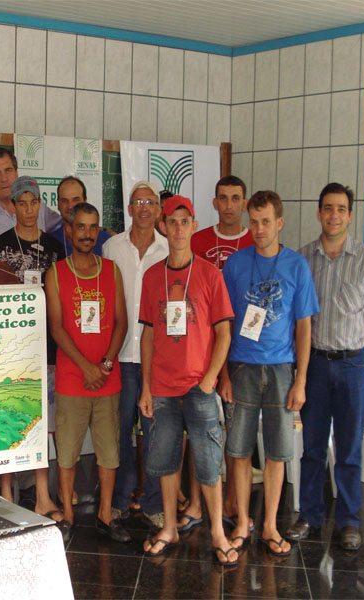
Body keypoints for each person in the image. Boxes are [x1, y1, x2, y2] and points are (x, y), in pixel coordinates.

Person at [286, 183, 364, 551]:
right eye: (328, 208)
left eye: (341, 209)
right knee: (313, 447)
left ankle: (349, 521)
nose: (334, 215)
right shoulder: (302, 260)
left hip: (352, 366)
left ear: (350, 215)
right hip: (314, 366)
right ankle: (310, 515)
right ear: (318, 213)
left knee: (349, 449)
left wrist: (362, 347)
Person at [137, 196, 238, 564]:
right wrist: (146, 386)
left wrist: (210, 378)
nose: (178, 228)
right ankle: (169, 527)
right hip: (162, 389)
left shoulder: (210, 274)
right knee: (165, 463)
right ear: (163, 227)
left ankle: (217, 532)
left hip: (200, 388)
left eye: (185, 221)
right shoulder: (152, 276)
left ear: (194, 225)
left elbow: (224, 333)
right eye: (172, 221)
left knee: (209, 464)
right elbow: (148, 335)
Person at [220, 190, 319, 557]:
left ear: (279, 223)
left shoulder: (297, 266)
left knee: (277, 453)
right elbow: (225, 323)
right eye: (254, 221)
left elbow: (304, 326)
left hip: (281, 369)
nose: (258, 229)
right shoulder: (235, 264)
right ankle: (244, 522)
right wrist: (225, 375)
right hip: (243, 367)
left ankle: (270, 525)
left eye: (265, 222)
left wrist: (301, 379)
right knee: (241, 451)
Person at [45, 203, 129, 542]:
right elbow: (57, 328)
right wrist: (86, 367)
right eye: (81, 227)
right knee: (67, 452)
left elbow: (121, 322)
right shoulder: (56, 272)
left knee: (109, 451)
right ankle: (67, 515)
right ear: (69, 230)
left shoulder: (111, 270)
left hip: (108, 379)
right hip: (72, 379)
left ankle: (106, 516)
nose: (87, 234)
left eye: (93, 227)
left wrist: (105, 365)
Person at [0, 175, 66, 531]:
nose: (29, 208)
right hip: (10, 350)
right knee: (7, 417)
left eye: (35, 202)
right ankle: (5, 493)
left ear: (40, 205)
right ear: (14, 206)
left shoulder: (54, 247)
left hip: (46, 347)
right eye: (22, 202)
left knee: (41, 423)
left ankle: (43, 495)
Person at [187, 175, 254, 534]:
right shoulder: (197, 241)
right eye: (223, 198)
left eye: (236, 198)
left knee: (235, 435)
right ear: (214, 203)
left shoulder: (253, 240)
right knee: (202, 432)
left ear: (244, 203)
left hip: (243, 352)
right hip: (203, 353)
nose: (229, 205)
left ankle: (230, 501)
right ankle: (197, 502)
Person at [102, 181, 168, 529]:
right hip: (121, 358)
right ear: (129, 209)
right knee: (120, 433)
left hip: (158, 363)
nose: (143, 207)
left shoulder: (169, 250)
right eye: (137, 201)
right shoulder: (112, 248)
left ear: (158, 210)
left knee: (156, 435)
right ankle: (120, 499)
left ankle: (154, 502)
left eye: (150, 202)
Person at [0, 147, 62, 250]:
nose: (4, 178)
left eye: (8, 170)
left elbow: (64, 225)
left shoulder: (39, 207)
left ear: (16, 173)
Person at [52, 176, 111, 256]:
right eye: (64, 201)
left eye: (75, 200)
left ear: (85, 201)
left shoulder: (106, 241)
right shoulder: (50, 241)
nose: (70, 206)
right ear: (58, 204)